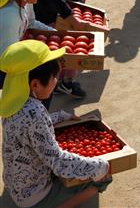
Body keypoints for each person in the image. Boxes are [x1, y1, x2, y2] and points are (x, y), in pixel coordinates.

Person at [0, 40, 112, 208]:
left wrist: (59, 116)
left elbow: (26, 127)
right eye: (54, 78)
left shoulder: (12, 102)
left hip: (16, 185)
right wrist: (100, 167)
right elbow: (59, 162)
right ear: (35, 84)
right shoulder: (36, 112)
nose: (55, 82)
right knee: (104, 177)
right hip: (35, 196)